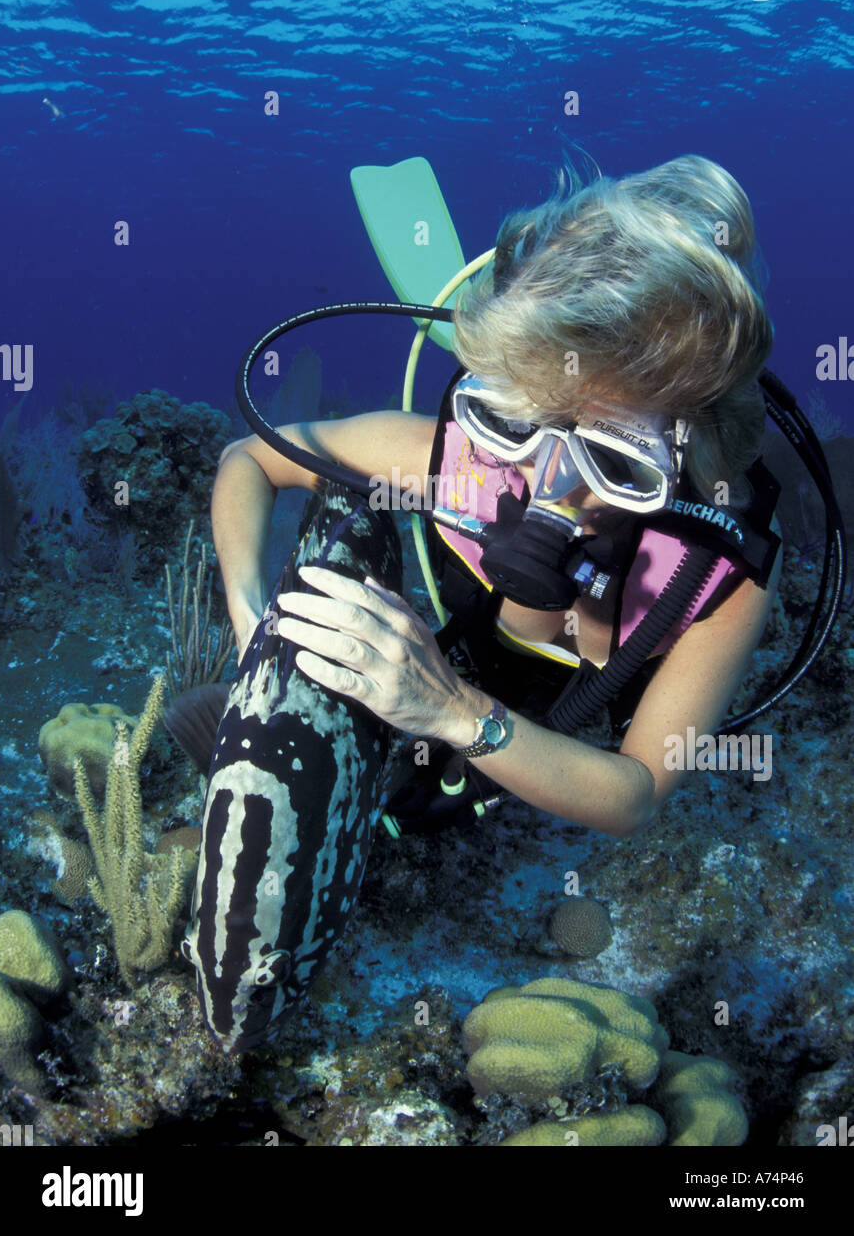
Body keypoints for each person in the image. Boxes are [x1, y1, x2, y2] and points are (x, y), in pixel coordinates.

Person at [188, 153, 783, 1052]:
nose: (546, 489)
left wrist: (458, 713)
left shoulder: (710, 581)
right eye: (510, 421)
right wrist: (247, 620)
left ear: (689, 465)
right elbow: (249, 460)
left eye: (615, 463)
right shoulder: (441, 460)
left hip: (529, 720)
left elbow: (632, 793)